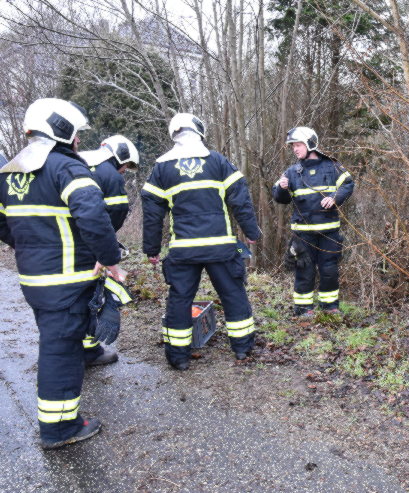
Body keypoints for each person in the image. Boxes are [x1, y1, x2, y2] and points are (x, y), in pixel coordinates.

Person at [0, 98, 125, 449]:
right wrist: (109, 258)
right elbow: (92, 215)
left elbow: (4, 224)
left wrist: (33, 244)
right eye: (76, 134)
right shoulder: (65, 168)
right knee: (62, 352)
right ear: (62, 129)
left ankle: (59, 422)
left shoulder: (9, 174)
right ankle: (59, 428)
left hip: (34, 279)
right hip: (67, 281)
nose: (79, 142)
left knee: (58, 344)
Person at [141, 113, 261, 371]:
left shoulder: (161, 168)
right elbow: (240, 197)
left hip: (184, 250)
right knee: (233, 294)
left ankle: (178, 357)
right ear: (199, 131)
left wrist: (151, 249)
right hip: (221, 246)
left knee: (180, 299)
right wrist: (251, 231)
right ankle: (242, 348)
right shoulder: (217, 161)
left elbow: (152, 213)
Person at [272, 126, 354, 316]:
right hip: (303, 234)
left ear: (310, 144)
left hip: (330, 232)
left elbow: (348, 184)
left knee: (329, 270)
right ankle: (302, 309)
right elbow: (279, 198)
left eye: (298, 145)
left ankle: (330, 307)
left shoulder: (332, 166)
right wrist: (282, 188)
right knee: (304, 270)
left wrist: (335, 197)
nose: (295, 149)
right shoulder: (291, 172)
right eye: (293, 146)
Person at [78, 135, 139, 367]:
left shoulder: (75, 163)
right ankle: (89, 352)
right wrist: (106, 248)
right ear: (120, 156)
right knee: (91, 296)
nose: (124, 171)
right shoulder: (110, 175)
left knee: (71, 297)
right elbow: (117, 211)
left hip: (66, 243)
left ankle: (70, 348)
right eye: (126, 166)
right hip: (91, 246)